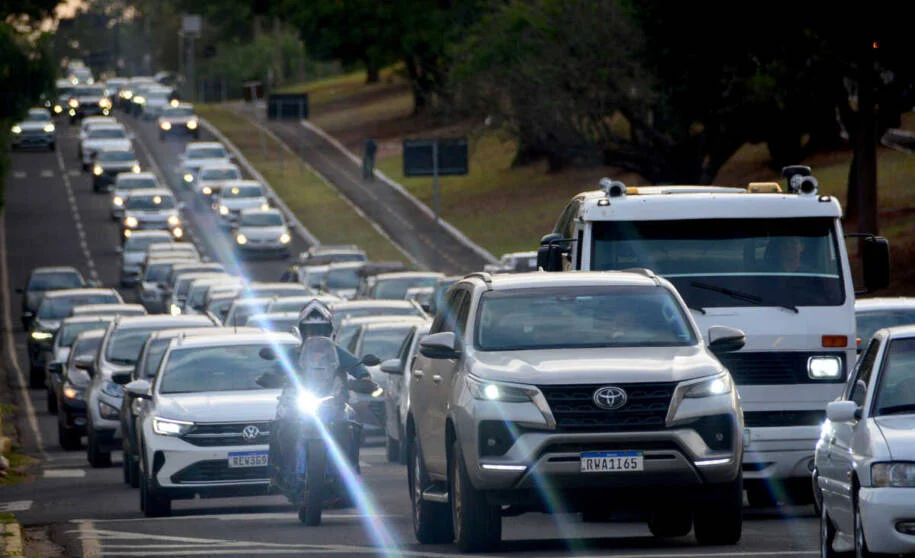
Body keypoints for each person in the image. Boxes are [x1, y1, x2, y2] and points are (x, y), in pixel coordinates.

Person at [268, 300, 373, 494]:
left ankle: (349, 474)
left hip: (333, 403)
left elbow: (358, 367)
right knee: (280, 426)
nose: (315, 335)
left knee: (351, 427)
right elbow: (275, 369)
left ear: (329, 331)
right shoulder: (293, 354)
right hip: (298, 403)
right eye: (310, 330)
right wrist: (270, 377)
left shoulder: (338, 352)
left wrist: (364, 378)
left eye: (320, 330)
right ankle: (279, 473)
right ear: (302, 331)